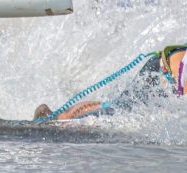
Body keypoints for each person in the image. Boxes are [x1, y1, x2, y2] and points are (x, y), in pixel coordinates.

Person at [33, 44, 186, 121]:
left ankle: (60, 117)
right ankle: (58, 120)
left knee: (118, 105)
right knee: (120, 111)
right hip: (160, 76)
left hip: (164, 71)